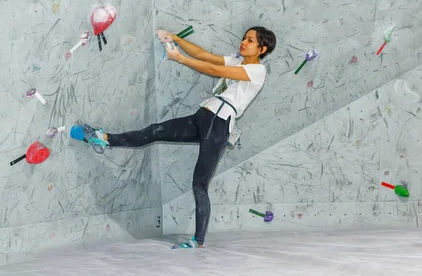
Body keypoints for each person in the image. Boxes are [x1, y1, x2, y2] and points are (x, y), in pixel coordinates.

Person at [70, 26, 276, 248]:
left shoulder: (258, 71)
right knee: (155, 131)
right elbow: (204, 56)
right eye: (244, 37)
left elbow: (214, 70)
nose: (244, 42)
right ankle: (104, 139)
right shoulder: (237, 60)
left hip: (219, 124)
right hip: (203, 116)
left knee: (200, 184)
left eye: (251, 41)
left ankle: (198, 240)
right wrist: (176, 38)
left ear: (262, 48)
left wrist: (178, 58)